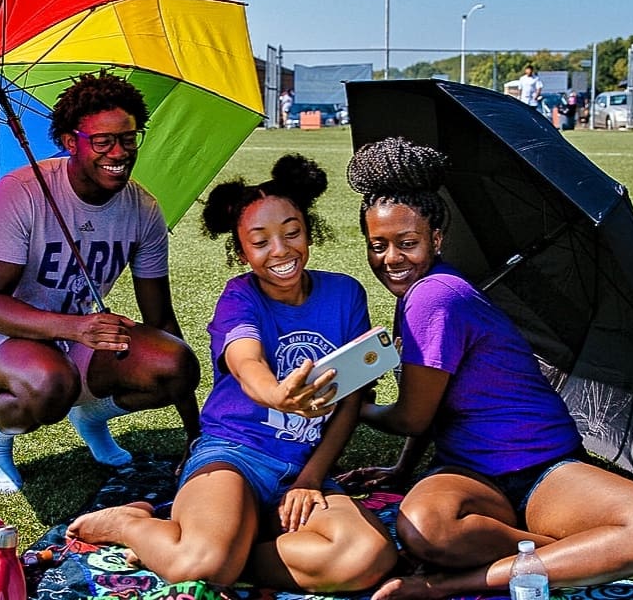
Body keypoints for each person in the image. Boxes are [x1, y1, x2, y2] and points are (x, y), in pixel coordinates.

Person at [339, 137, 633, 600]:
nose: (390, 259)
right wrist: (403, 468)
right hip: (470, 473)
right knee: (424, 529)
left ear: (437, 238)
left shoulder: (434, 296)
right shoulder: (418, 295)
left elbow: (412, 416)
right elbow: (434, 399)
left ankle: (449, 585)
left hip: (543, 465)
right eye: (377, 245)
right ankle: (591, 555)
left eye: (407, 243)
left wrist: (352, 405)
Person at [66, 154, 397, 593]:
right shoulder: (240, 296)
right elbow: (247, 363)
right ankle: (130, 525)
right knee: (202, 565)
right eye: (259, 241)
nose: (280, 251)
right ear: (241, 251)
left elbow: (351, 398)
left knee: (368, 556)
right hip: (233, 456)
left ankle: (223, 549)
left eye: (292, 233)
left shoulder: (345, 294)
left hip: (299, 468)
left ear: (308, 231)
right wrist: (277, 396)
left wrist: (312, 477)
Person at [0, 72, 202, 494]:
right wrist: (76, 327)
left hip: (74, 342)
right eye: (102, 142)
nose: (118, 152)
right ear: (71, 142)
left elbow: (161, 321)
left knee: (174, 365)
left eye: (129, 138)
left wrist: (196, 432)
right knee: (50, 383)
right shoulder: (21, 192)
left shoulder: (143, 208)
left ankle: (92, 416)